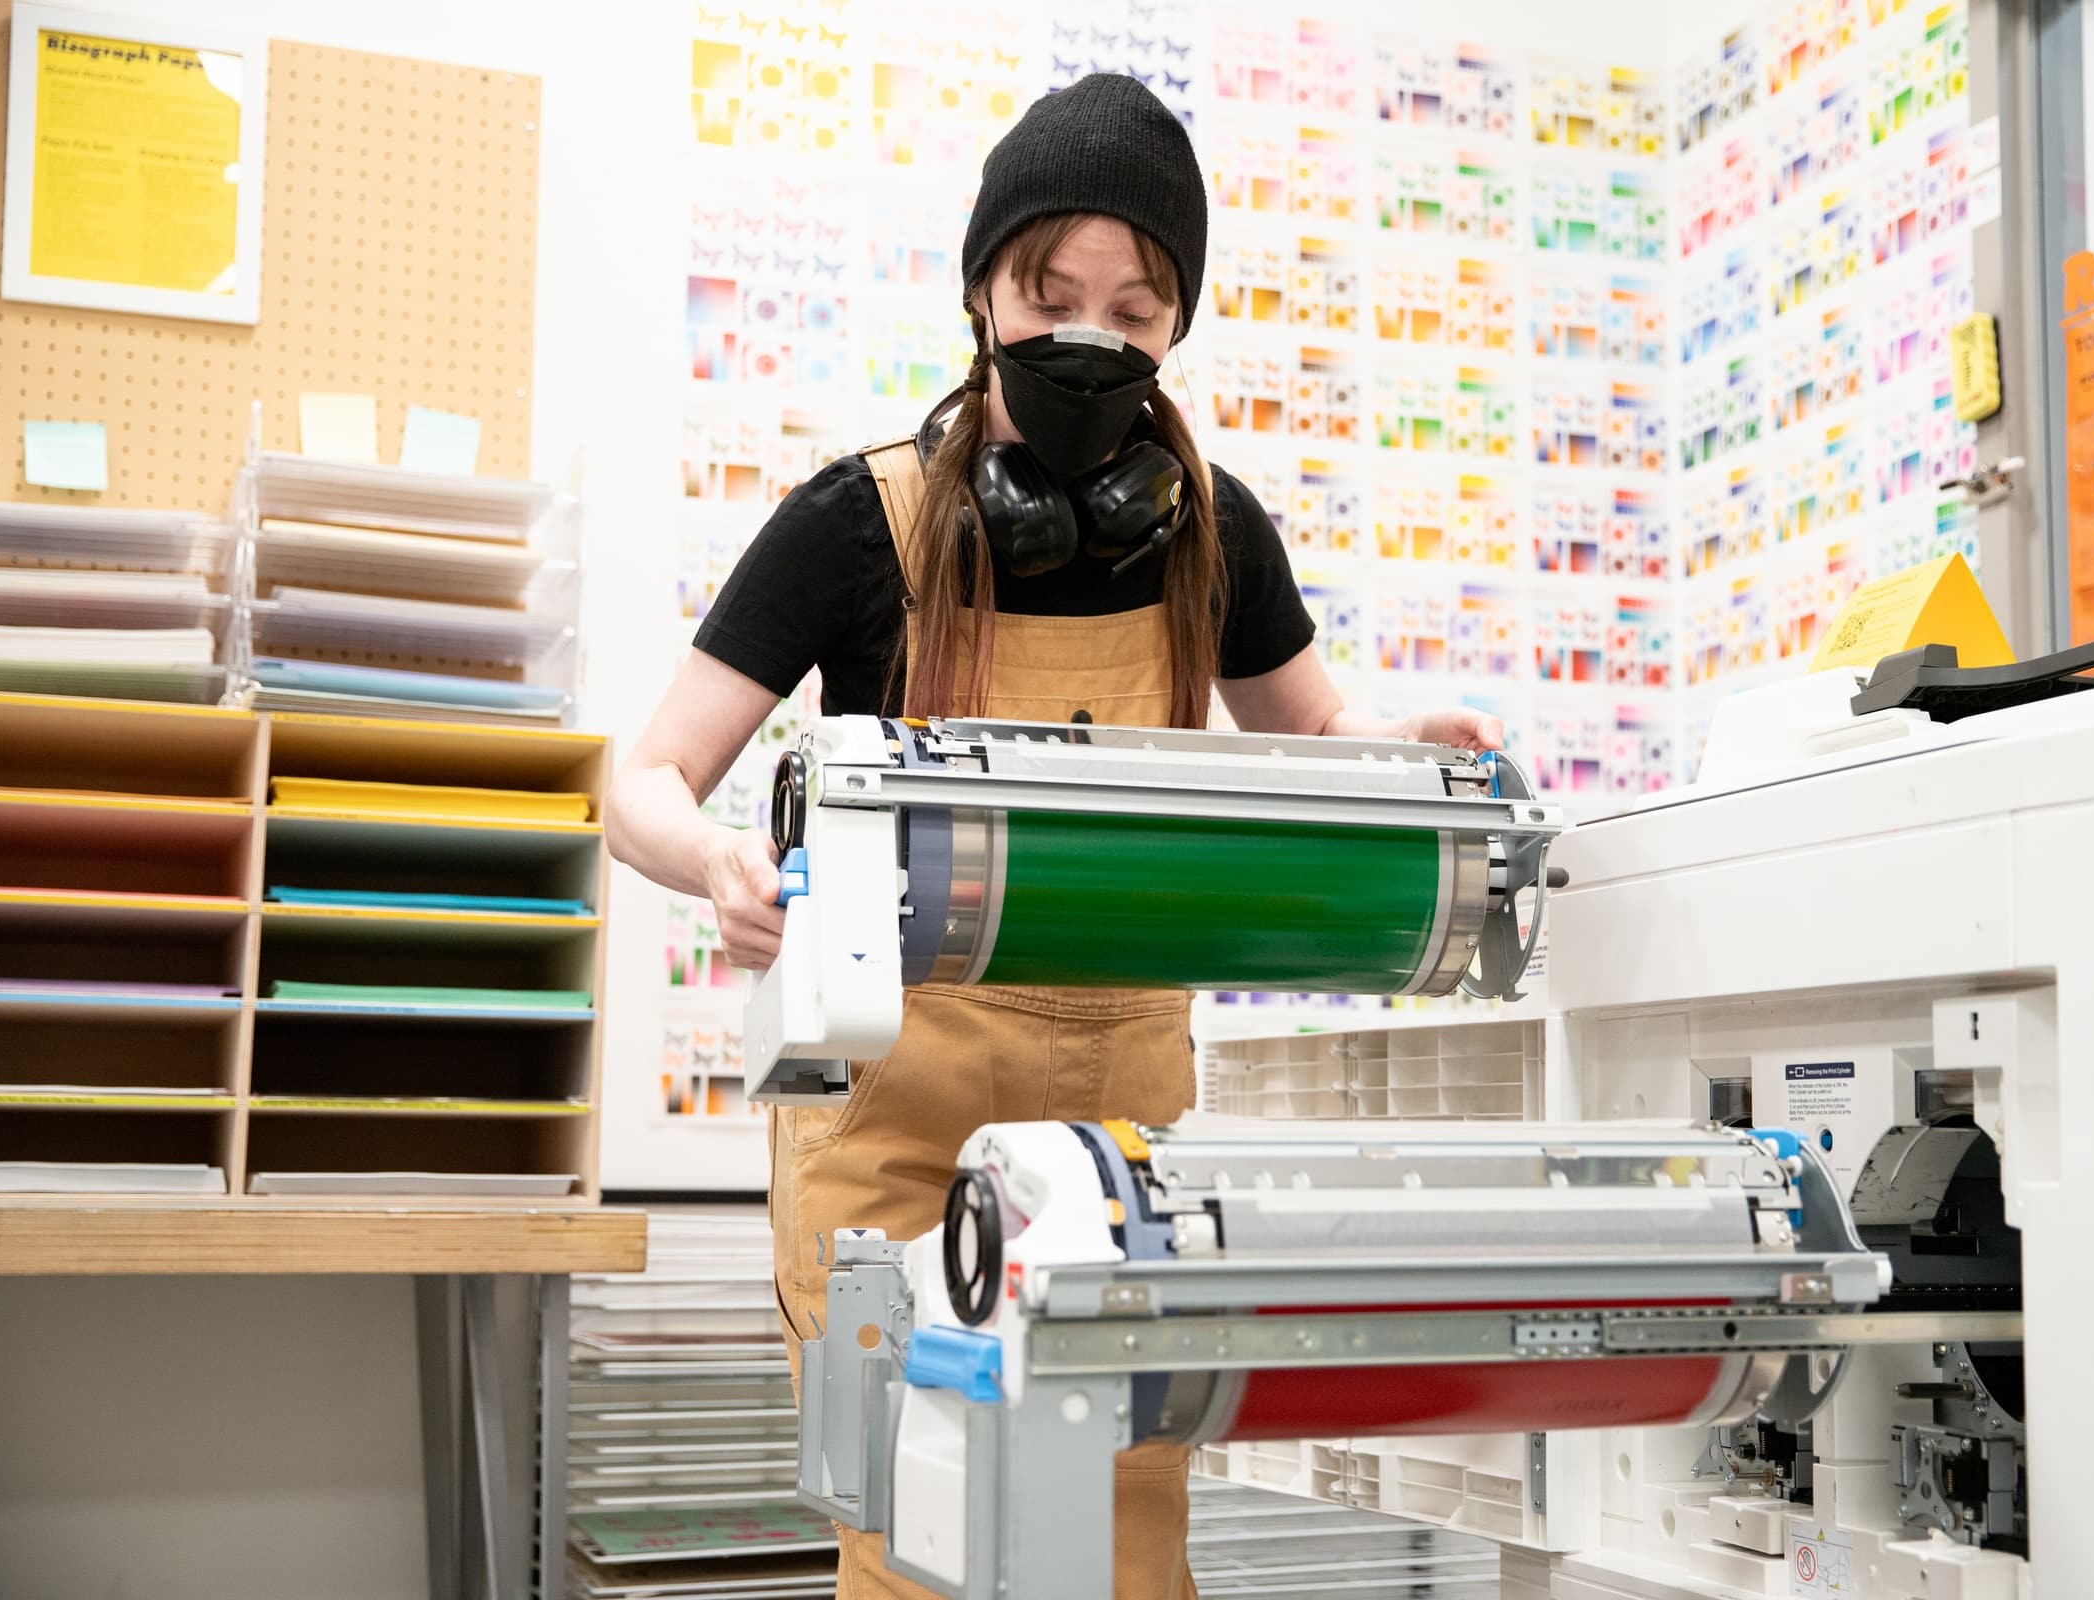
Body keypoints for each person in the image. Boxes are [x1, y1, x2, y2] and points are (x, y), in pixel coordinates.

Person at [608, 73, 1503, 1600]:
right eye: (1051, 289)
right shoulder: (860, 527)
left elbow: (1319, 738)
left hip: (1117, 1159)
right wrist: (716, 867)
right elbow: (640, 780)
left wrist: (1394, 758)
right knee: (917, 1538)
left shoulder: (1217, 533)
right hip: (892, 1142)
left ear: (1175, 325)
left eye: (1136, 303)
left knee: (1123, 1532)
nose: (1092, 331)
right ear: (983, 291)